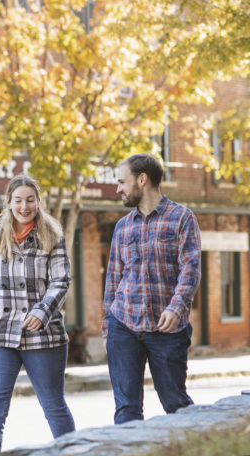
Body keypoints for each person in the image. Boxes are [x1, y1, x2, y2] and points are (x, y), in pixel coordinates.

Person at [0, 174, 75, 454]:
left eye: (30, 200)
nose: (24, 207)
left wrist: (42, 311)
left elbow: (61, 281)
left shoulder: (53, 235)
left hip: (41, 334)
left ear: (38, 202)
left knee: (53, 405)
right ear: (9, 203)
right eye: (18, 201)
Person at [104, 153, 201, 424]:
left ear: (142, 180)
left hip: (166, 329)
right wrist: (106, 327)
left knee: (176, 404)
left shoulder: (182, 218)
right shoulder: (122, 227)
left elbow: (190, 269)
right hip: (123, 325)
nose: (118, 189)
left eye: (123, 182)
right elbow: (113, 279)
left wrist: (176, 307)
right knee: (126, 410)